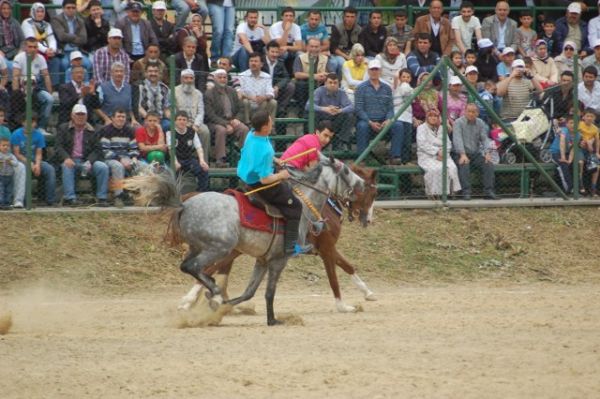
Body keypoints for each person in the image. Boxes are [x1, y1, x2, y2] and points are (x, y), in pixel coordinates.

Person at [236, 109, 312, 256]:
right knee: (295, 205)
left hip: (244, 175)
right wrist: (281, 175)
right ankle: (291, 247)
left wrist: (276, 160)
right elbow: (265, 180)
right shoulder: (266, 150)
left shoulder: (251, 134)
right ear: (264, 127)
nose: (272, 123)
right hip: (259, 183)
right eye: (270, 122)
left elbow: (256, 154)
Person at [55, 104, 109, 206]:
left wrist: (89, 161)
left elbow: (97, 149)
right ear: (72, 116)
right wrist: (66, 158)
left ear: (86, 116)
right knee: (66, 166)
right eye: (78, 114)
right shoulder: (63, 128)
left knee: (102, 167)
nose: (80, 117)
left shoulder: (93, 130)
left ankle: (102, 198)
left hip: (87, 161)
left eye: (83, 114)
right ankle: (70, 198)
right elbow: (58, 147)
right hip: (71, 160)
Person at [355, 59, 404, 164]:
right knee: (362, 126)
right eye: (372, 69)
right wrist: (370, 122)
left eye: (376, 69)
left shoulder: (387, 88)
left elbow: (390, 108)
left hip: (383, 121)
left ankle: (395, 157)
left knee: (398, 125)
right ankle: (362, 158)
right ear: (368, 71)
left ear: (380, 71)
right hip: (367, 121)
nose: (374, 72)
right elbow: (358, 109)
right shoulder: (361, 88)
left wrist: (388, 120)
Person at [204, 69, 249, 167]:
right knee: (221, 130)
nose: (222, 79)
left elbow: (241, 108)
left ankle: (244, 157)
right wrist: (226, 124)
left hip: (232, 120)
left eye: (224, 77)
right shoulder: (209, 94)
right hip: (215, 123)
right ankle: (220, 160)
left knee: (244, 129)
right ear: (215, 79)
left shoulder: (232, 91)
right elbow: (210, 115)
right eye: (219, 77)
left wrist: (237, 119)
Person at [10, 113, 57, 206]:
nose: (30, 124)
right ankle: (26, 200)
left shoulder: (39, 135)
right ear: (22, 123)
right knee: (24, 169)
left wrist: (37, 165)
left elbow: (39, 153)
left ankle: (49, 200)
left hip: (35, 161)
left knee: (49, 169)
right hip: (20, 161)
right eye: (27, 122)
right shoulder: (16, 134)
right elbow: (17, 154)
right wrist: (30, 163)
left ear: (35, 123)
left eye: (32, 122)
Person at [452, 103, 497, 200]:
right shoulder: (458, 123)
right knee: (464, 164)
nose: (471, 114)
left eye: (474, 112)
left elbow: (484, 139)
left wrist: (487, 153)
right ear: (465, 112)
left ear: (477, 113)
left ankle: (488, 191)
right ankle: (466, 192)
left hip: (475, 154)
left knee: (488, 164)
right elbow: (457, 139)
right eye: (469, 111)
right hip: (460, 153)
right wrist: (462, 154)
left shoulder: (480, 123)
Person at [12, 37, 54, 135]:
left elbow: (46, 76)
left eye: (35, 47)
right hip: (22, 88)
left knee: (50, 99)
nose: (33, 49)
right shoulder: (19, 58)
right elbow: (15, 77)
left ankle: (41, 127)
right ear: (26, 47)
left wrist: (50, 92)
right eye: (30, 47)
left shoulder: (41, 58)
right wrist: (17, 93)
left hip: (36, 88)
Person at [416, 109, 461, 197]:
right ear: (427, 117)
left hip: (444, 155)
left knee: (452, 168)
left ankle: (450, 193)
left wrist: (443, 153)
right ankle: (434, 194)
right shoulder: (421, 128)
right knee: (436, 169)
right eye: (431, 116)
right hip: (427, 156)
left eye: (435, 116)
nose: (433, 118)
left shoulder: (442, 128)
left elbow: (448, 144)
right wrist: (437, 152)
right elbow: (422, 144)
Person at [98, 107, 138, 206]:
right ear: (112, 118)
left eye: (123, 117)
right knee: (118, 166)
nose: (121, 119)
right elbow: (105, 151)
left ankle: (140, 197)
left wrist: (133, 158)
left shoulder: (130, 130)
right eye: (118, 116)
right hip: (110, 159)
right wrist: (121, 160)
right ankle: (118, 196)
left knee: (142, 166)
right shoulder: (106, 130)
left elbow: (134, 148)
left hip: (127, 158)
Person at [167, 111, 209, 192]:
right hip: (175, 160)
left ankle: (201, 192)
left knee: (203, 169)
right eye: (179, 119)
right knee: (171, 172)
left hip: (188, 159)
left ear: (187, 121)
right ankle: (173, 193)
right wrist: (175, 162)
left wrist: (202, 161)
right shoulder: (170, 132)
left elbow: (199, 147)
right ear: (175, 121)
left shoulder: (191, 132)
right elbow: (171, 149)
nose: (181, 122)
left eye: (184, 119)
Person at [174, 69, 210, 163]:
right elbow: (173, 111)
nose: (189, 80)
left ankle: (203, 161)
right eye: (186, 78)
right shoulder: (174, 91)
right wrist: (182, 123)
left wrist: (196, 125)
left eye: (191, 78)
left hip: (195, 122)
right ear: (181, 79)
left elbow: (201, 112)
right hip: (180, 122)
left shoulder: (198, 93)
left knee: (205, 131)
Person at [309, 73, 353, 150]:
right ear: (325, 83)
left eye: (335, 83)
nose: (333, 85)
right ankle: (315, 142)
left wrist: (339, 110)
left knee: (349, 115)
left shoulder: (341, 93)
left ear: (339, 84)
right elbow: (308, 105)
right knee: (312, 114)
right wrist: (325, 109)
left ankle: (342, 141)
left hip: (335, 119)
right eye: (330, 82)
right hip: (321, 119)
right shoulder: (319, 91)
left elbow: (351, 106)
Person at [51, 0, 90, 86]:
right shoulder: (56, 19)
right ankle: (64, 88)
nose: (71, 10)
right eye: (68, 8)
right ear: (63, 9)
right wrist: (75, 36)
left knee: (87, 63)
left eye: (73, 8)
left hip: (77, 50)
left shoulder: (80, 21)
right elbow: (61, 36)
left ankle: (85, 87)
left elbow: (84, 39)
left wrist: (68, 37)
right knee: (64, 64)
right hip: (63, 50)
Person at [21, 3, 60, 88]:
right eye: (38, 11)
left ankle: (53, 87)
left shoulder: (47, 24)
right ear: (33, 12)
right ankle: (39, 87)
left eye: (42, 11)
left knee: (55, 61)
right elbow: (32, 40)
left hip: (47, 51)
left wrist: (52, 49)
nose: (40, 14)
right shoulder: (27, 23)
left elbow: (51, 38)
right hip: (33, 50)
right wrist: (45, 50)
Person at [94, 61, 138, 126]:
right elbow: (96, 107)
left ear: (124, 73)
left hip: (125, 121)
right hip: (107, 120)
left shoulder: (129, 87)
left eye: (121, 71)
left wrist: (133, 119)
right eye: (116, 71)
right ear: (111, 73)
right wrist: (106, 119)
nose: (119, 73)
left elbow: (130, 107)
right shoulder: (102, 87)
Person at [239, 52, 276, 126]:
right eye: (251, 61)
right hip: (247, 106)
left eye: (255, 61)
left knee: (273, 102)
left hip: (261, 105)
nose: (253, 63)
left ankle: (271, 126)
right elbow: (239, 92)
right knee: (245, 101)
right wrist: (251, 98)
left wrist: (264, 97)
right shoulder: (242, 75)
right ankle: (247, 124)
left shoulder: (267, 76)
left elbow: (271, 93)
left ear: (261, 64)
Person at [293, 37, 332, 108]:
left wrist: (324, 76)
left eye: (316, 47)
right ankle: (303, 110)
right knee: (301, 85)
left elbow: (330, 74)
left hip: (320, 83)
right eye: (312, 46)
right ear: (307, 47)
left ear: (320, 48)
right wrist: (314, 76)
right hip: (305, 84)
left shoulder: (325, 58)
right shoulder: (300, 57)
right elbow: (297, 74)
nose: (314, 49)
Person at [262, 41, 295, 121]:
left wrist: (277, 87)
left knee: (291, 86)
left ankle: (280, 109)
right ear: (267, 51)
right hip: (262, 88)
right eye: (272, 52)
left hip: (275, 89)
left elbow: (286, 77)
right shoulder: (261, 61)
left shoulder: (280, 63)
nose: (274, 54)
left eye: (276, 52)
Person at [134, 63, 171, 133]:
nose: (153, 73)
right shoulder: (139, 86)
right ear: (145, 73)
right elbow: (138, 107)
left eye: (156, 71)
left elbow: (166, 108)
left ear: (160, 74)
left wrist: (171, 118)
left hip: (161, 119)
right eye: (150, 71)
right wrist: (151, 120)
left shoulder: (165, 88)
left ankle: (168, 144)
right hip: (144, 119)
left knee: (170, 125)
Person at [269, 7, 303, 76]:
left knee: (300, 54)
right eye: (286, 16)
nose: (288, 18)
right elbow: (280, 45)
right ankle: (282, 75)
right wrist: (286, 31)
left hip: (290, 47)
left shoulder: (296, 27)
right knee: (283, 53)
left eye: (291, 16)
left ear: (293, 18)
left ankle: (297, 74)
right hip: (277, 47)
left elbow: (299, 47)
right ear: (282, 17)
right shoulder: (275, 26)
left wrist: (287, 47)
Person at [550, 114, 579, 194]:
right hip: (556, 153)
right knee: (563, 164)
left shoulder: (578, 134)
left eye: (575, 123)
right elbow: (562, 142)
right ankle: (568, 188)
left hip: (567, 153)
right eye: (571, 123)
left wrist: (569, 160)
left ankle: (577, 187)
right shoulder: (564, 130)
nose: (573, 125)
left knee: (574, 164)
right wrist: (563, 157)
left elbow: (573, 149)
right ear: (566, 124)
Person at [330, 6, 362, 77]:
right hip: (339, 54)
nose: (350, 19)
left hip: (354, 54)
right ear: (344, 17)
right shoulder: (337, 28)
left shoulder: (359, 29)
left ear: (356, 18)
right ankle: (340, 83)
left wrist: (355, 56)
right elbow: (334, 48)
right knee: (343, 63)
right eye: (347, 16)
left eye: (352, 17)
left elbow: (360, 46)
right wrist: (347, 57)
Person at [392, 68, 415, 164]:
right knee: (400, 138)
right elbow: (404, 91)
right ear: (400, 78)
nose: (405, 79)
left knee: (407, 140)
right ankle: (396, 158)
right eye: (403, 77)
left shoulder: (412, 89)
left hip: (408, 117)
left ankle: (406, 161)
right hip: (398, 116)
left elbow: (412, 100)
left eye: (408, 77)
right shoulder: (397, 87)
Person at [578, 107, 600, 196]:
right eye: (588, 116)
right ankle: (580, 185)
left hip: (589, 151)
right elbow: (577, 135)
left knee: (597, 167)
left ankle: (593, 187)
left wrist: (597, 152)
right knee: (581, 162)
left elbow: (597, 141)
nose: (589, 118)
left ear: (595, 118)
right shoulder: (579, 124)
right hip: (579, 148)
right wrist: (587, 142)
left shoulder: (595, 129)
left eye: (592, 116)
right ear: (583, 117)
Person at [207, 0, 235, 66]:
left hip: (231, 4)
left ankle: (226, 60)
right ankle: (215, 58)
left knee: (229, 32)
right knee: (219, 30)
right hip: (215, 3)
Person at [0, 0, 24, 76]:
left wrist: (20, 51)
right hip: (2, 52)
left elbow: (23, 40)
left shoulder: (15, 22)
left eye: (8, 8)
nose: (6, 11)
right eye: (3, 8)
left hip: (15, 51)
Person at [0, 135, 17, 209]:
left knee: (9, 190)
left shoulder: (11, 156)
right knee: (1, 190)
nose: (5, 147)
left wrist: (11, 162)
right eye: (3, 145)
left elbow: (16, 163)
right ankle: (1, 203)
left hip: (9, 176)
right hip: (1, 175)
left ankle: (8, 203)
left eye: (7, 146)